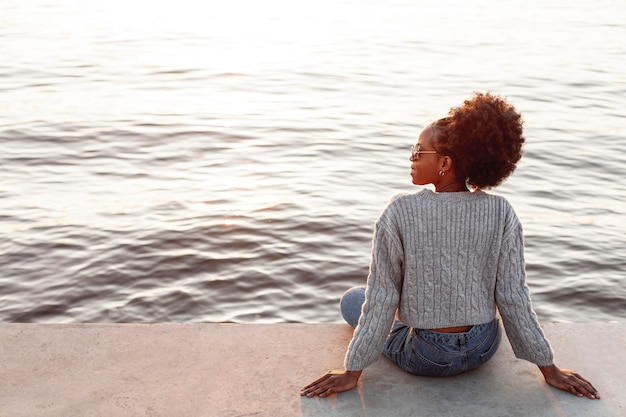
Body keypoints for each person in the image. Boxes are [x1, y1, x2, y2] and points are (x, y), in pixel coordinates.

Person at [300, 92, 600, 400]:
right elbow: (513, 296)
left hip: (428, 355)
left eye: (418, 151)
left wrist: (352, 372)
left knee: (354, 299)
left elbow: (382, 297)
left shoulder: (400, 211)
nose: (411, 158)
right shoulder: (501, 210)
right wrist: (550, 370)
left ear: (444, 162)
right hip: (484, 345)